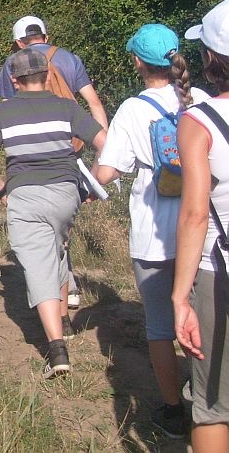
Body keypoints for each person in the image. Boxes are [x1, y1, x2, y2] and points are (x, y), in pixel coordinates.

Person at [93, 24, 208, 438]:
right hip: (203, 230)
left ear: (138, 63)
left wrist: (89, 180)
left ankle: (173, 413)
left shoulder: (132, 109)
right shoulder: (202, 100)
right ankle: (209, 401)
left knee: (160, 326)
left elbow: (108, 171)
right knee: (207, 320)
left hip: (153, 231)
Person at [0, 47, 106, 378]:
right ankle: (63, 319)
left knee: (38, 267)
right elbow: (105, 142)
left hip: (26, 194)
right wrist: (93, 181)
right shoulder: (67, 107)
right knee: (57, 249)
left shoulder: (3, 112)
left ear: (14, 80)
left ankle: (57, 350)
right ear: (47, 76)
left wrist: (0, 188)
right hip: (66, 194)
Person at [0, 15, 109, 310]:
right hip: (69, 146)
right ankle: (68, 288)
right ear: (45, 36)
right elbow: (94, 103)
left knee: (44, 226)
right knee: (62, 222)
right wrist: (102, 160)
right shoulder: (70, 59)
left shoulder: (14, 63)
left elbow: (8, 110)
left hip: (30, 155)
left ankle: (60, 288)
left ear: (19, 42)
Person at [172, 0, 229, 452]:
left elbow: (194, 214)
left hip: (218, 270)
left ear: (210, 58)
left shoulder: (199, 121)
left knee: (213, 405)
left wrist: (179, 297)